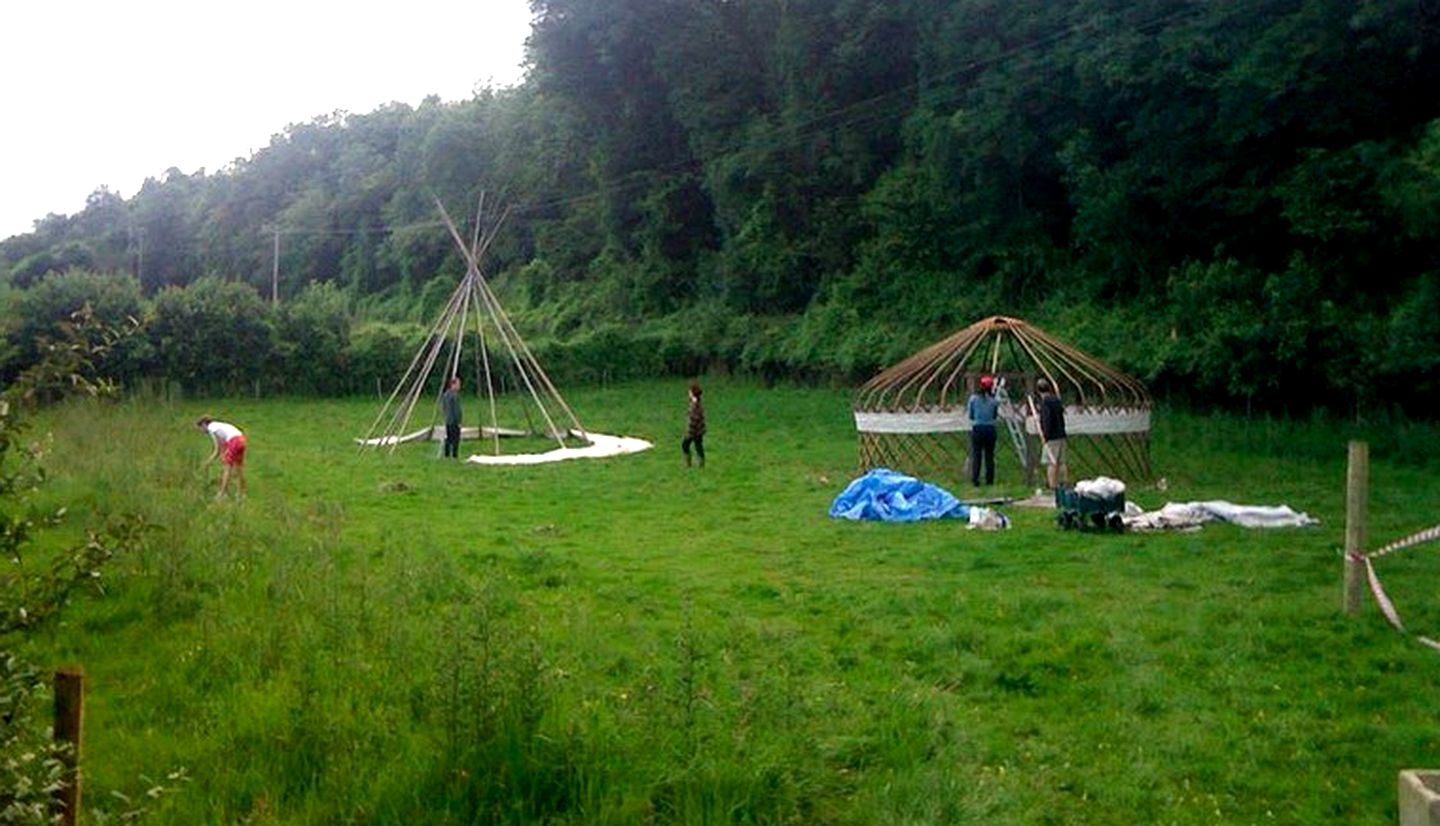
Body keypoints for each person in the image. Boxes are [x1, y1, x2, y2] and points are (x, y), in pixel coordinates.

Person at [197, 416, 247, 500]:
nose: (202, 431)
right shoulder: (219, 425)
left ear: (204, 424)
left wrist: (208, 462)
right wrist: (223, 455)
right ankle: (241, 494)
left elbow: (217, 449)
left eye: (201, 428)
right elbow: (223, 445)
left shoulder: (211, 428)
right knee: (239, 469)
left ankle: (222, 494)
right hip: (241, 439)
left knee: (227, 468)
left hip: (234, 441)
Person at [1036, 377, 1068, 490]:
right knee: (1062, 462)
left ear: (1038, 391)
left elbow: (1047, 420)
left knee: (1051, 462)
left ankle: (1052, 486)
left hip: (1052, 437)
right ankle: (1064, 482)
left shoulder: (1045, 403)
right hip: (1061, 435)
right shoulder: (1057, 401)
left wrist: (1046, 435)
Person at [967, 374, 999, 486]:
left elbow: (970, 415)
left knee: (977, 455)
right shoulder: (994, 401)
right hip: (990, 429)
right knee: (989, 456)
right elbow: (995, 416)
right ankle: (990, 480)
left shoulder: (973, 399)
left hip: (978, 429)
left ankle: (975, 480)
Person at [681, 381, 705, 468]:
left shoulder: (695, 405)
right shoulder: (696, 403)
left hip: (694, 430)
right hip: (699, 429)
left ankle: (689, 463)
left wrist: (690, 430)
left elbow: (694, 418)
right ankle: (700, 464)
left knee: (685, 445)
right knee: (698, 446)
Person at [441, 376, 462, 459]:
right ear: (453, 385)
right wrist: (458, 421)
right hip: (454, 421)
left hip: (448, 420)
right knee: (455, 439)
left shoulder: (446, 394)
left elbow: (444, 407)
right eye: (458, 384)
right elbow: (456, 409)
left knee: (449, 438)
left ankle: (447, 454)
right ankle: (454, 455)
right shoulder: (455, 396)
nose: (459, 386)